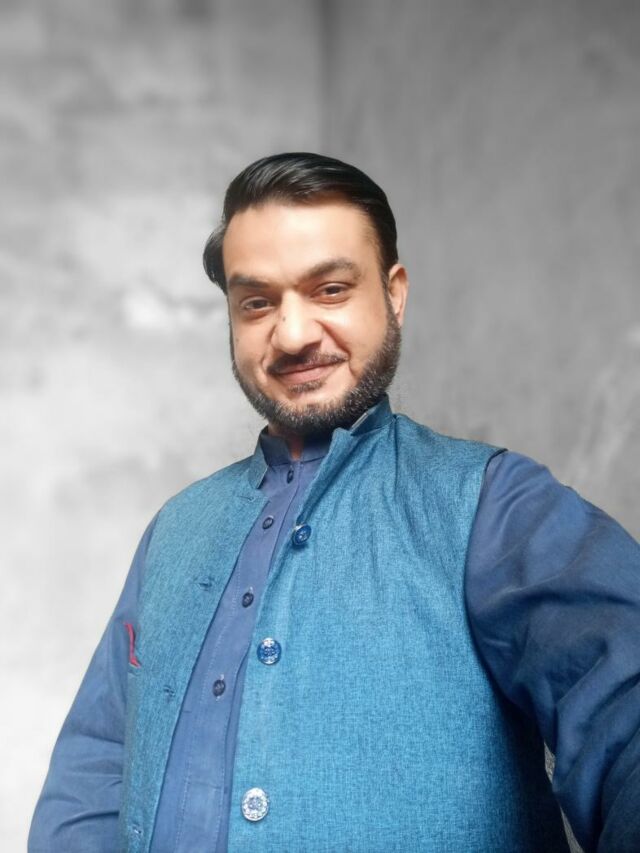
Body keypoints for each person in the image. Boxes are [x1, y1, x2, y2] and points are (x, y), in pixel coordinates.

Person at [29, 153, 640, 853]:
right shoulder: (174, 529)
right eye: (257, 302)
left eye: (330, 289)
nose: (293, 334)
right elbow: (95, 769)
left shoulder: (496, 505)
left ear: (394, 294)